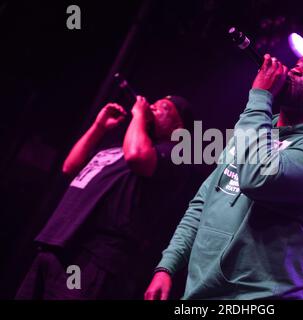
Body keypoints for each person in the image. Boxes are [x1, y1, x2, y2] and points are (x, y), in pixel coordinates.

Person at [145, 50, 303, 300]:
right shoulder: (257, 127)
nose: (295, 69)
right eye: (298, 64)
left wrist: (260, 97)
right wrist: (167, 265)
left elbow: (256, 178)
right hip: (203, 291)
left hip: (264, 296)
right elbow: (205, 201)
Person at [16, 94, 194, 299]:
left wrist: (138, 116)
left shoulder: (172, 155)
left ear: (178, 128)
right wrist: (99, 127)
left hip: (88, 258)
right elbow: (70, 167)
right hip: (56, 244)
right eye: (152, 104)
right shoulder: (121, 147)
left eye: (162, 107)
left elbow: (137, 156)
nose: (151, 107)